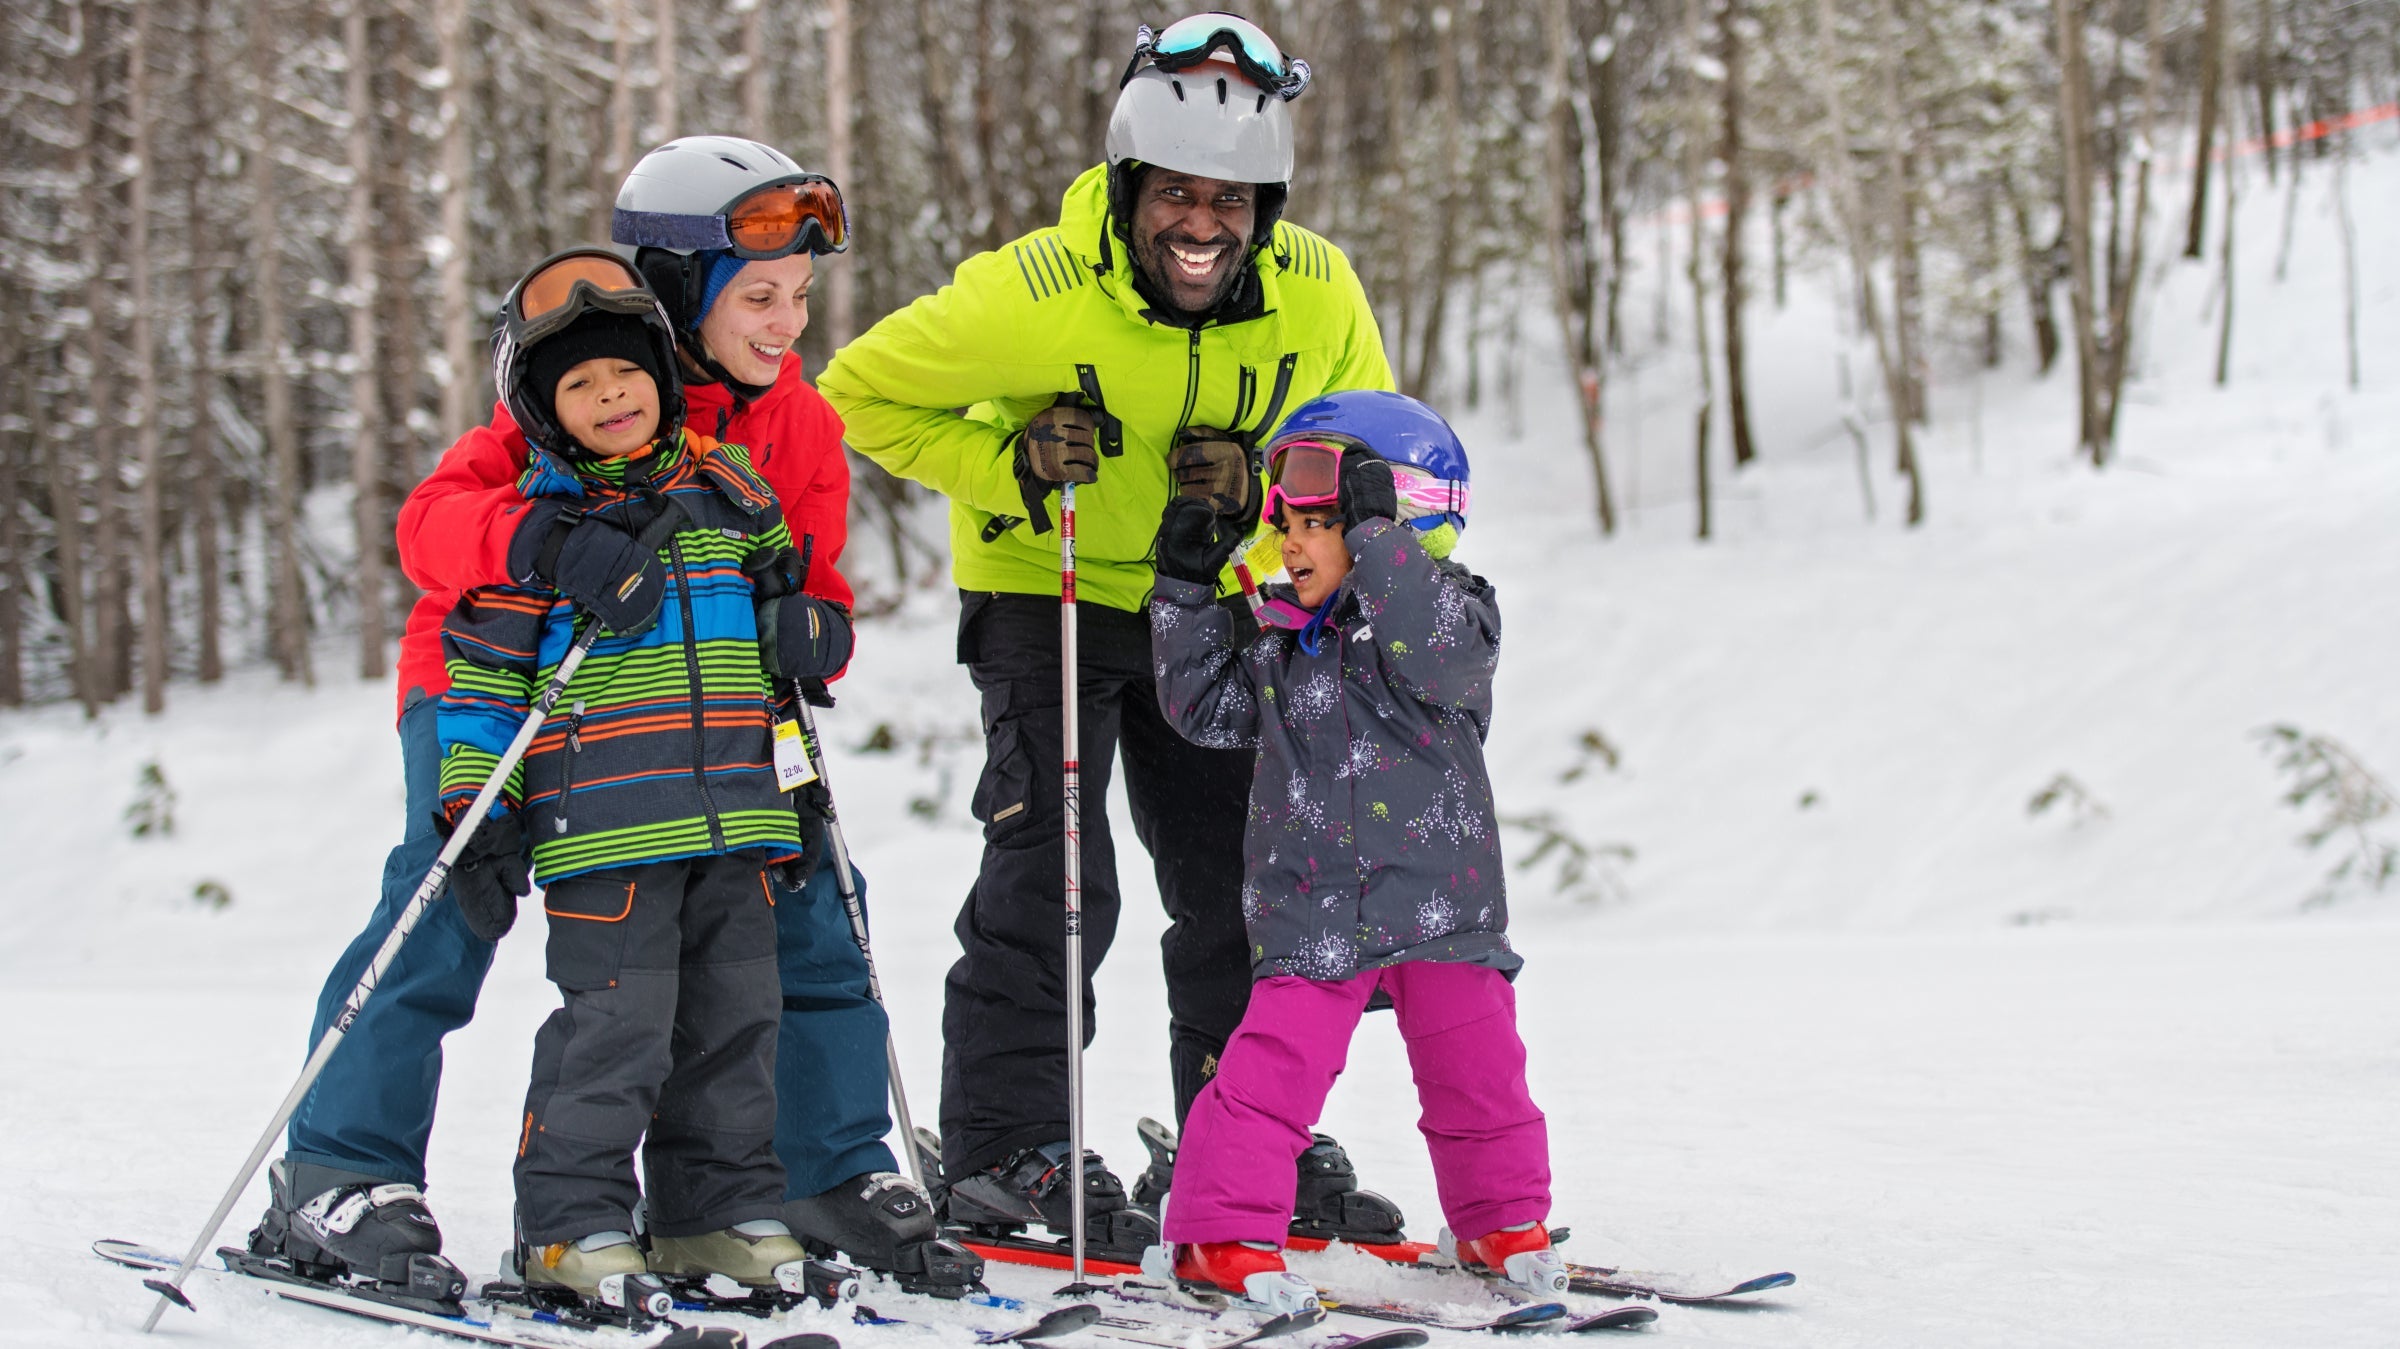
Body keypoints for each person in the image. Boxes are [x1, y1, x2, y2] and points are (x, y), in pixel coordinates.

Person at [253, 136, 978, 1296]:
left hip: (714, 719)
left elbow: (814, 570)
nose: (787, 323)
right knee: (449, 895)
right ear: (679, 289)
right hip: (506, 690)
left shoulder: (798, 423)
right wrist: (536, 540)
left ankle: (820, 1163)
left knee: (809, 907)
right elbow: (432, 525)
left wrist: (815, 621)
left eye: (799, 295)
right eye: (757, 296)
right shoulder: (581, 384)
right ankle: (342, 1166)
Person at [815, 13, 1402, 1258]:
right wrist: (1005, 457)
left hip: (1217, 603)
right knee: (1055, 876)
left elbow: (1367, 450)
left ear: (1268, 204)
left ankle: (1246, 1133)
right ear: (1131, 186)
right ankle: (1002, 1150)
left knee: (1238, 883)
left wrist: (1260, 487)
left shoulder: (1318, 288)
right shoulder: (1032, 287)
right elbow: (852, 394)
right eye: (1177, 194)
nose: (1202, 225)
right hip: (1052, 591)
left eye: (1232, 200)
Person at [436, 251, 844, 1300]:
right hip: (607, 833)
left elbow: (785, 631)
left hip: (736, 821)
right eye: (578, 385)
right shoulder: (545, 532)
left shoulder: (729, 490)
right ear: (543, 410)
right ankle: (568, 1223)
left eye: (625, 374)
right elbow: (484, 684)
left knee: (737, 1022)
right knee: (613, 1031)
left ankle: (711, 1213)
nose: (610, 396)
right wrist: (475, 810)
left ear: (663, 375)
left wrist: (811, 633)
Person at [1142, 391, 1562, 1306]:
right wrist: (1182, 587)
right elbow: (1198, 710)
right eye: (1285, 522)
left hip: (1441, 906)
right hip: (1315, 908)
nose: (1291, 543)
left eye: (1320, 523)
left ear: (1393, 520)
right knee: (1267, 1079)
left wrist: (1377, 543)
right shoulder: (1283, 643)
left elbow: (1440, 657)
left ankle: (1502, 1218)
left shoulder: (1451, 614)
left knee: (1479, 1075)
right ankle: (1219, 1231)